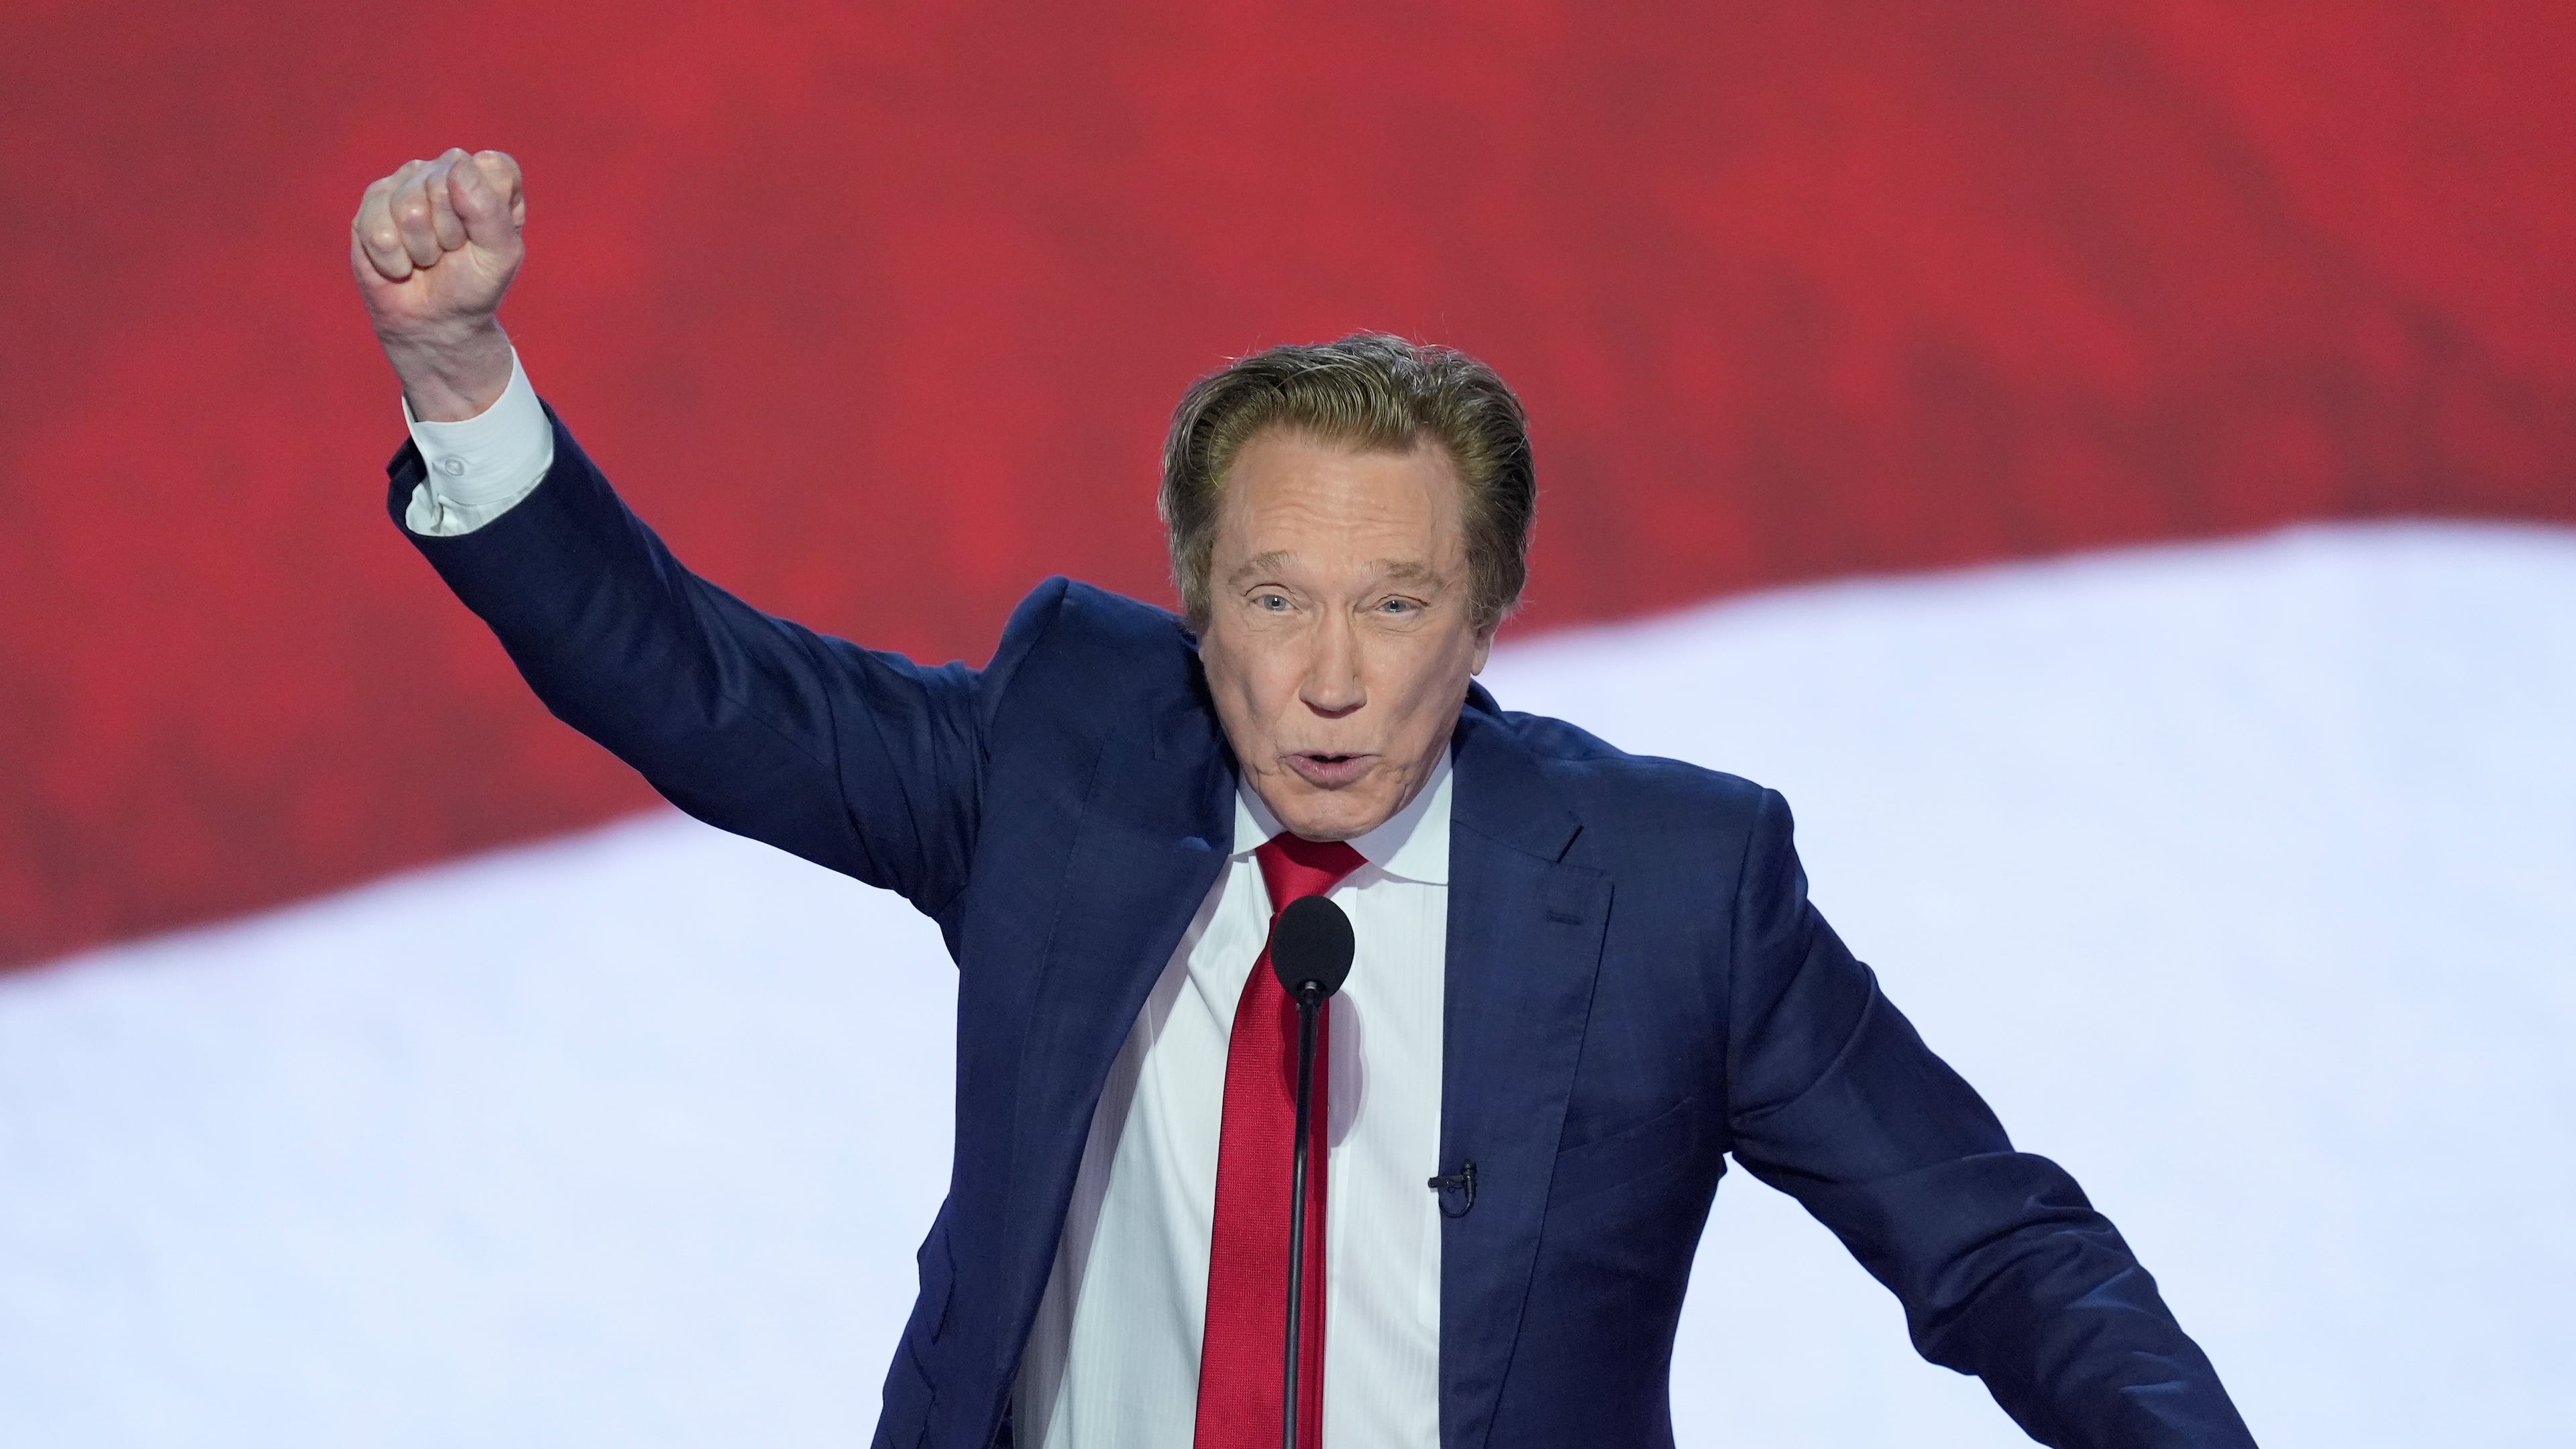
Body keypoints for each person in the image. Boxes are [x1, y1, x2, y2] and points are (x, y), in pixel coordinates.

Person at [350, 148, 2255, 1449]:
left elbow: (1999, 1247)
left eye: (1396, 603)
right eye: (1274, 601)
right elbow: (698, 689)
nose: (1331, 678)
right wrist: (459, 373)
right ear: (1198, 603)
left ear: (1493, 614)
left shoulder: (1679, 887)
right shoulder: (1062, 766)